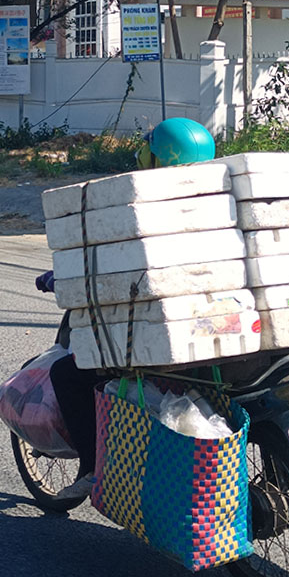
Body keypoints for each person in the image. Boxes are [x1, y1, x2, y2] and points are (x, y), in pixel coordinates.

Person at [41, 118, 217, 500]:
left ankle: (91, 469)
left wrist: (64, 279)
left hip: (167, 340)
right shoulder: (221, 204)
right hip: (226, 335)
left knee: (68, 376)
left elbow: (113, 264)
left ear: (157, 159)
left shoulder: (143, 209)